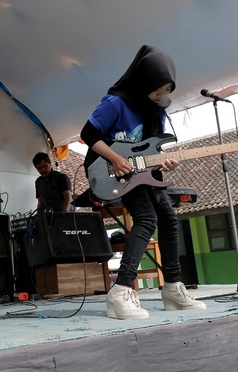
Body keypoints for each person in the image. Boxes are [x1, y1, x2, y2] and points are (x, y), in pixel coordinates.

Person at [80, 45, 206, 319]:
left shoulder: (157, 109)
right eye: (157, 91)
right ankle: (120, 291)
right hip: (114, 168)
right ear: (143, 83)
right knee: (146, 219)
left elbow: (153, 148)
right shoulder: (116, 102)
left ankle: (172, 288)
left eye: (167, 92)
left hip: (143, 169)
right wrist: (114, 158)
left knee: (169, 219)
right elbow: (87, 134)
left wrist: (165, 161)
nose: (162, 97)